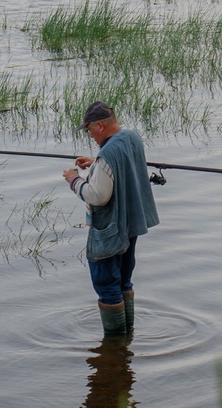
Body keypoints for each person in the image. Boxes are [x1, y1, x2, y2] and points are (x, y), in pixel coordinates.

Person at [64, 101, 159, 338]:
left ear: (100, 125)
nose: (90, 134)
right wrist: (96, 163)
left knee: (107, 286)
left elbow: (98, 196)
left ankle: (115, 346)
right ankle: (127, 340)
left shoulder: (106, 153)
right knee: (124, 283)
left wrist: (74, 179)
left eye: (89, 129)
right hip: (130, 225)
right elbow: (120, 163)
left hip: (110, 229)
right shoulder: (131, 137)